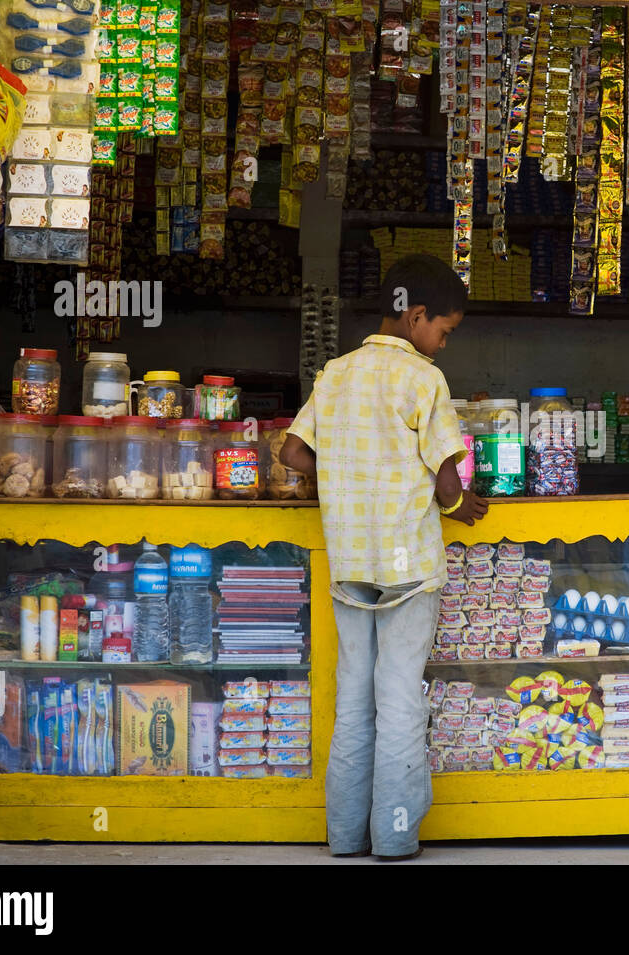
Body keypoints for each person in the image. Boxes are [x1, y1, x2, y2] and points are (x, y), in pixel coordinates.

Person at [280, 253, 488, 861]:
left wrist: (346, 476)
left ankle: (344, 837)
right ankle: (393, 837)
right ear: (416, 316)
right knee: (399, 699)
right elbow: (449, 487)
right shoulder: (423, 379)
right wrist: (464, 504)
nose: (443, 345)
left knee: (354, 701)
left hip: (350, 564)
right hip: (409, 568)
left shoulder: (336, 372)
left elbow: (292, 453)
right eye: (443, 331)